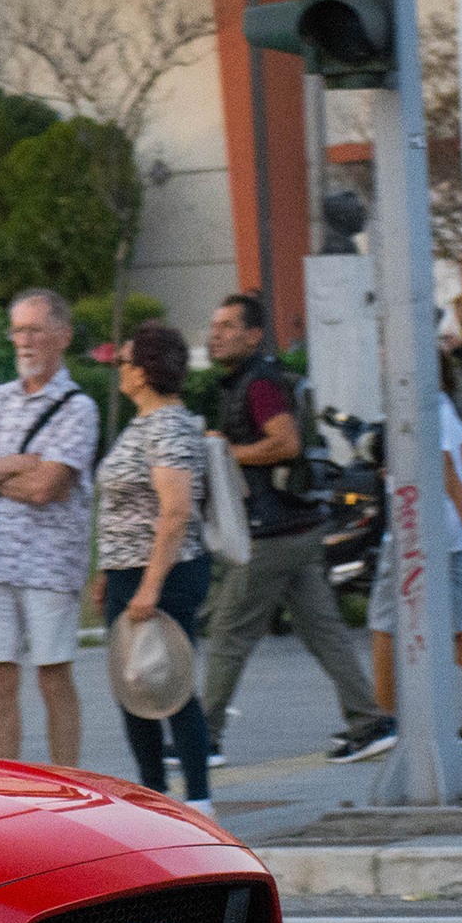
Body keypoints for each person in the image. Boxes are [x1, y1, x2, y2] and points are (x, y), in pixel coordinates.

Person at [199, 292, 387, 763]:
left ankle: (204, 738)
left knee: (228, 633)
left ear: (253, 334)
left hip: (271, 531)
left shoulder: (258, 383)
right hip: (298, 526)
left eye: (227, 326)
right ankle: (370, 722)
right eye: (214, 325)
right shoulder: (253, 378)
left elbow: (285, 443)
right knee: (325, 631)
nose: (215, 334)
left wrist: (222, 451)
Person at [0, 288, 99, 768]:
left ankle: (67, 784)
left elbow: (48, 488)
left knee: (52, 678)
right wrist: (15, 463)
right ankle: (6, 788)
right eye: (18, 329)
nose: (24, 340)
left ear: (63, 336)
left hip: (50, 563)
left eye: (35, 329)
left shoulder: (78, 408)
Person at [96, 322, 214, 811]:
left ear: (142, 372)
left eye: (123, 362)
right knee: (136, 688)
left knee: (171, 687)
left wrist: (148, 586)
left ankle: (200, 800)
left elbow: (176, 510)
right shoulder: (147, 422)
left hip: (161, 574)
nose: (118, 371)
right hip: (129, 572)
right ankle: (154, 795)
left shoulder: (166, 425)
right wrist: (110, 574)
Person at [362, 394, 462, 747]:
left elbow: (442, 459)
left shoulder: (411, 394)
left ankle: (385, 720)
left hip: (415, 524)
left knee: (385, 621)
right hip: (451, 530)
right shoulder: (441, 400)